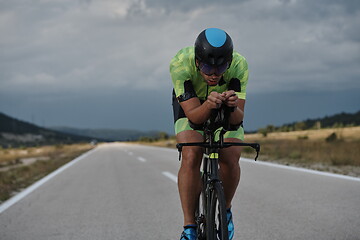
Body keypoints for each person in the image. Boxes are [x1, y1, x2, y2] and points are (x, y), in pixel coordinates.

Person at [170, 28, 249, 240]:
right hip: (192, 106)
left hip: (224, 106)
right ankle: (189, 228)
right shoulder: (180, 63)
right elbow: (195, 117)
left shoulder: (240, 65)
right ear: (197, 61)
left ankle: (225, 210)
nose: (214, 74)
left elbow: (237, 119)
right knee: (191, 154)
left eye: (221, 67)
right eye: (206, 67)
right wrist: (208, 105)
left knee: (231, 156)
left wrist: (231, 107)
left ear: (229, 62)